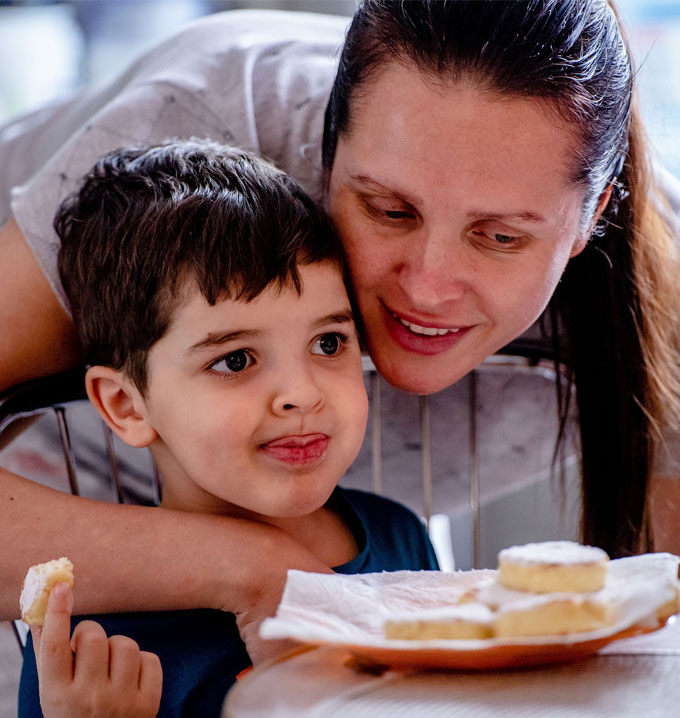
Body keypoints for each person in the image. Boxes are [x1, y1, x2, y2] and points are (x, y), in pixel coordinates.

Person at [1, 0, 679, 661]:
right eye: (388, 209)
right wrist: (258, 569)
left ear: (593, 217)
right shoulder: (202, 153)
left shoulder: (662, 284)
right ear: (323, 154)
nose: (428, 287)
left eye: (500, 236)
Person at [19, 139, 439, 717]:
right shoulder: (88, 639)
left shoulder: (401, 539)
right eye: (236, 360)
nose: (301, 394)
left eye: (328, 343)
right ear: (126, 406)